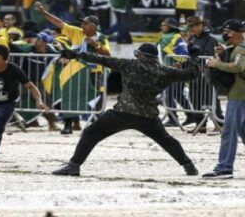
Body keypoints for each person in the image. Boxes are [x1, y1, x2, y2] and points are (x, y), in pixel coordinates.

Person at [52, 43, 200, 177]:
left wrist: (76, 55)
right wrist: (194, 57)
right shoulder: (165, 71)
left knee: (91, 133)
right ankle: (189, 166)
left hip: (123, 113)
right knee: (168, 141)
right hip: (148, 116)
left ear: (140, 55)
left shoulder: (129, 65)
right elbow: (192, 74)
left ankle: (74, 166)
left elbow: (102, 59)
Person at [203, 20, 245, 179]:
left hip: (240, 95)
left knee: (229, 131)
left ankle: (224, 168)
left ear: (232, 32)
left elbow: (238, 67)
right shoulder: (242, 47)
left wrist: (217, 63)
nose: (225, 33)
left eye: (226, 31)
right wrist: (223, 54)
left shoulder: (242, 47)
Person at [34, 1, 110, 134]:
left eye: (85, 24)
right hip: (73, 72)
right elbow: (60, 23)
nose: (82, 26)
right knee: (69, 96)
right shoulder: (78, 33)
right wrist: (44, 13)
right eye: (82, 23)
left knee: (96, 97)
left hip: (94, 72)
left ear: (93, 26)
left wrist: (95, 45)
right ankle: (68, 125)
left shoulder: (102, 38)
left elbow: (107, 54)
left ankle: (98, 125)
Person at [184, 16, 221, 131]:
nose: (192, 28)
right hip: (195, 74)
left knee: (211, 99)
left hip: (207, 74)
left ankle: (219, 123)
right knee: (195, 99)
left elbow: (209, 56)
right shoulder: (193, 39)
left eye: (194, 25)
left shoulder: (210, 39)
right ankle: (200, 124)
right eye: (190, 26)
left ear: (201, 25)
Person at [158, 18, 191, 127]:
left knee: (168, 95)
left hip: (171, 71)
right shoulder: (177, 36)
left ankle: (173, 118)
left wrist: (177, 63)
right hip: (176, 71)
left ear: (169, 27)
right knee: (177, 94)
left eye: (164, 25)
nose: (161, 27)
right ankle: (192, 115)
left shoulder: (168, 37)